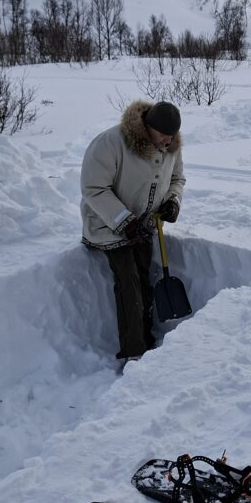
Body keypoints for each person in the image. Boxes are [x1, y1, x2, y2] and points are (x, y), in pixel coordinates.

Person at [80, 100, 185, 360]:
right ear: (147, 127)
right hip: (108, 225)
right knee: (129, 283)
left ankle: (148, 341)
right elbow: (94, 188)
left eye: (172, 136)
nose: (167, 142)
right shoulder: (111, 143)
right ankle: (134, 352)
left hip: (143, 227)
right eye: (163, 135)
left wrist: (172, 200)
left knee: (144, 279)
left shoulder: (170, 145)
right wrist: (124, 221)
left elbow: (177, 179)